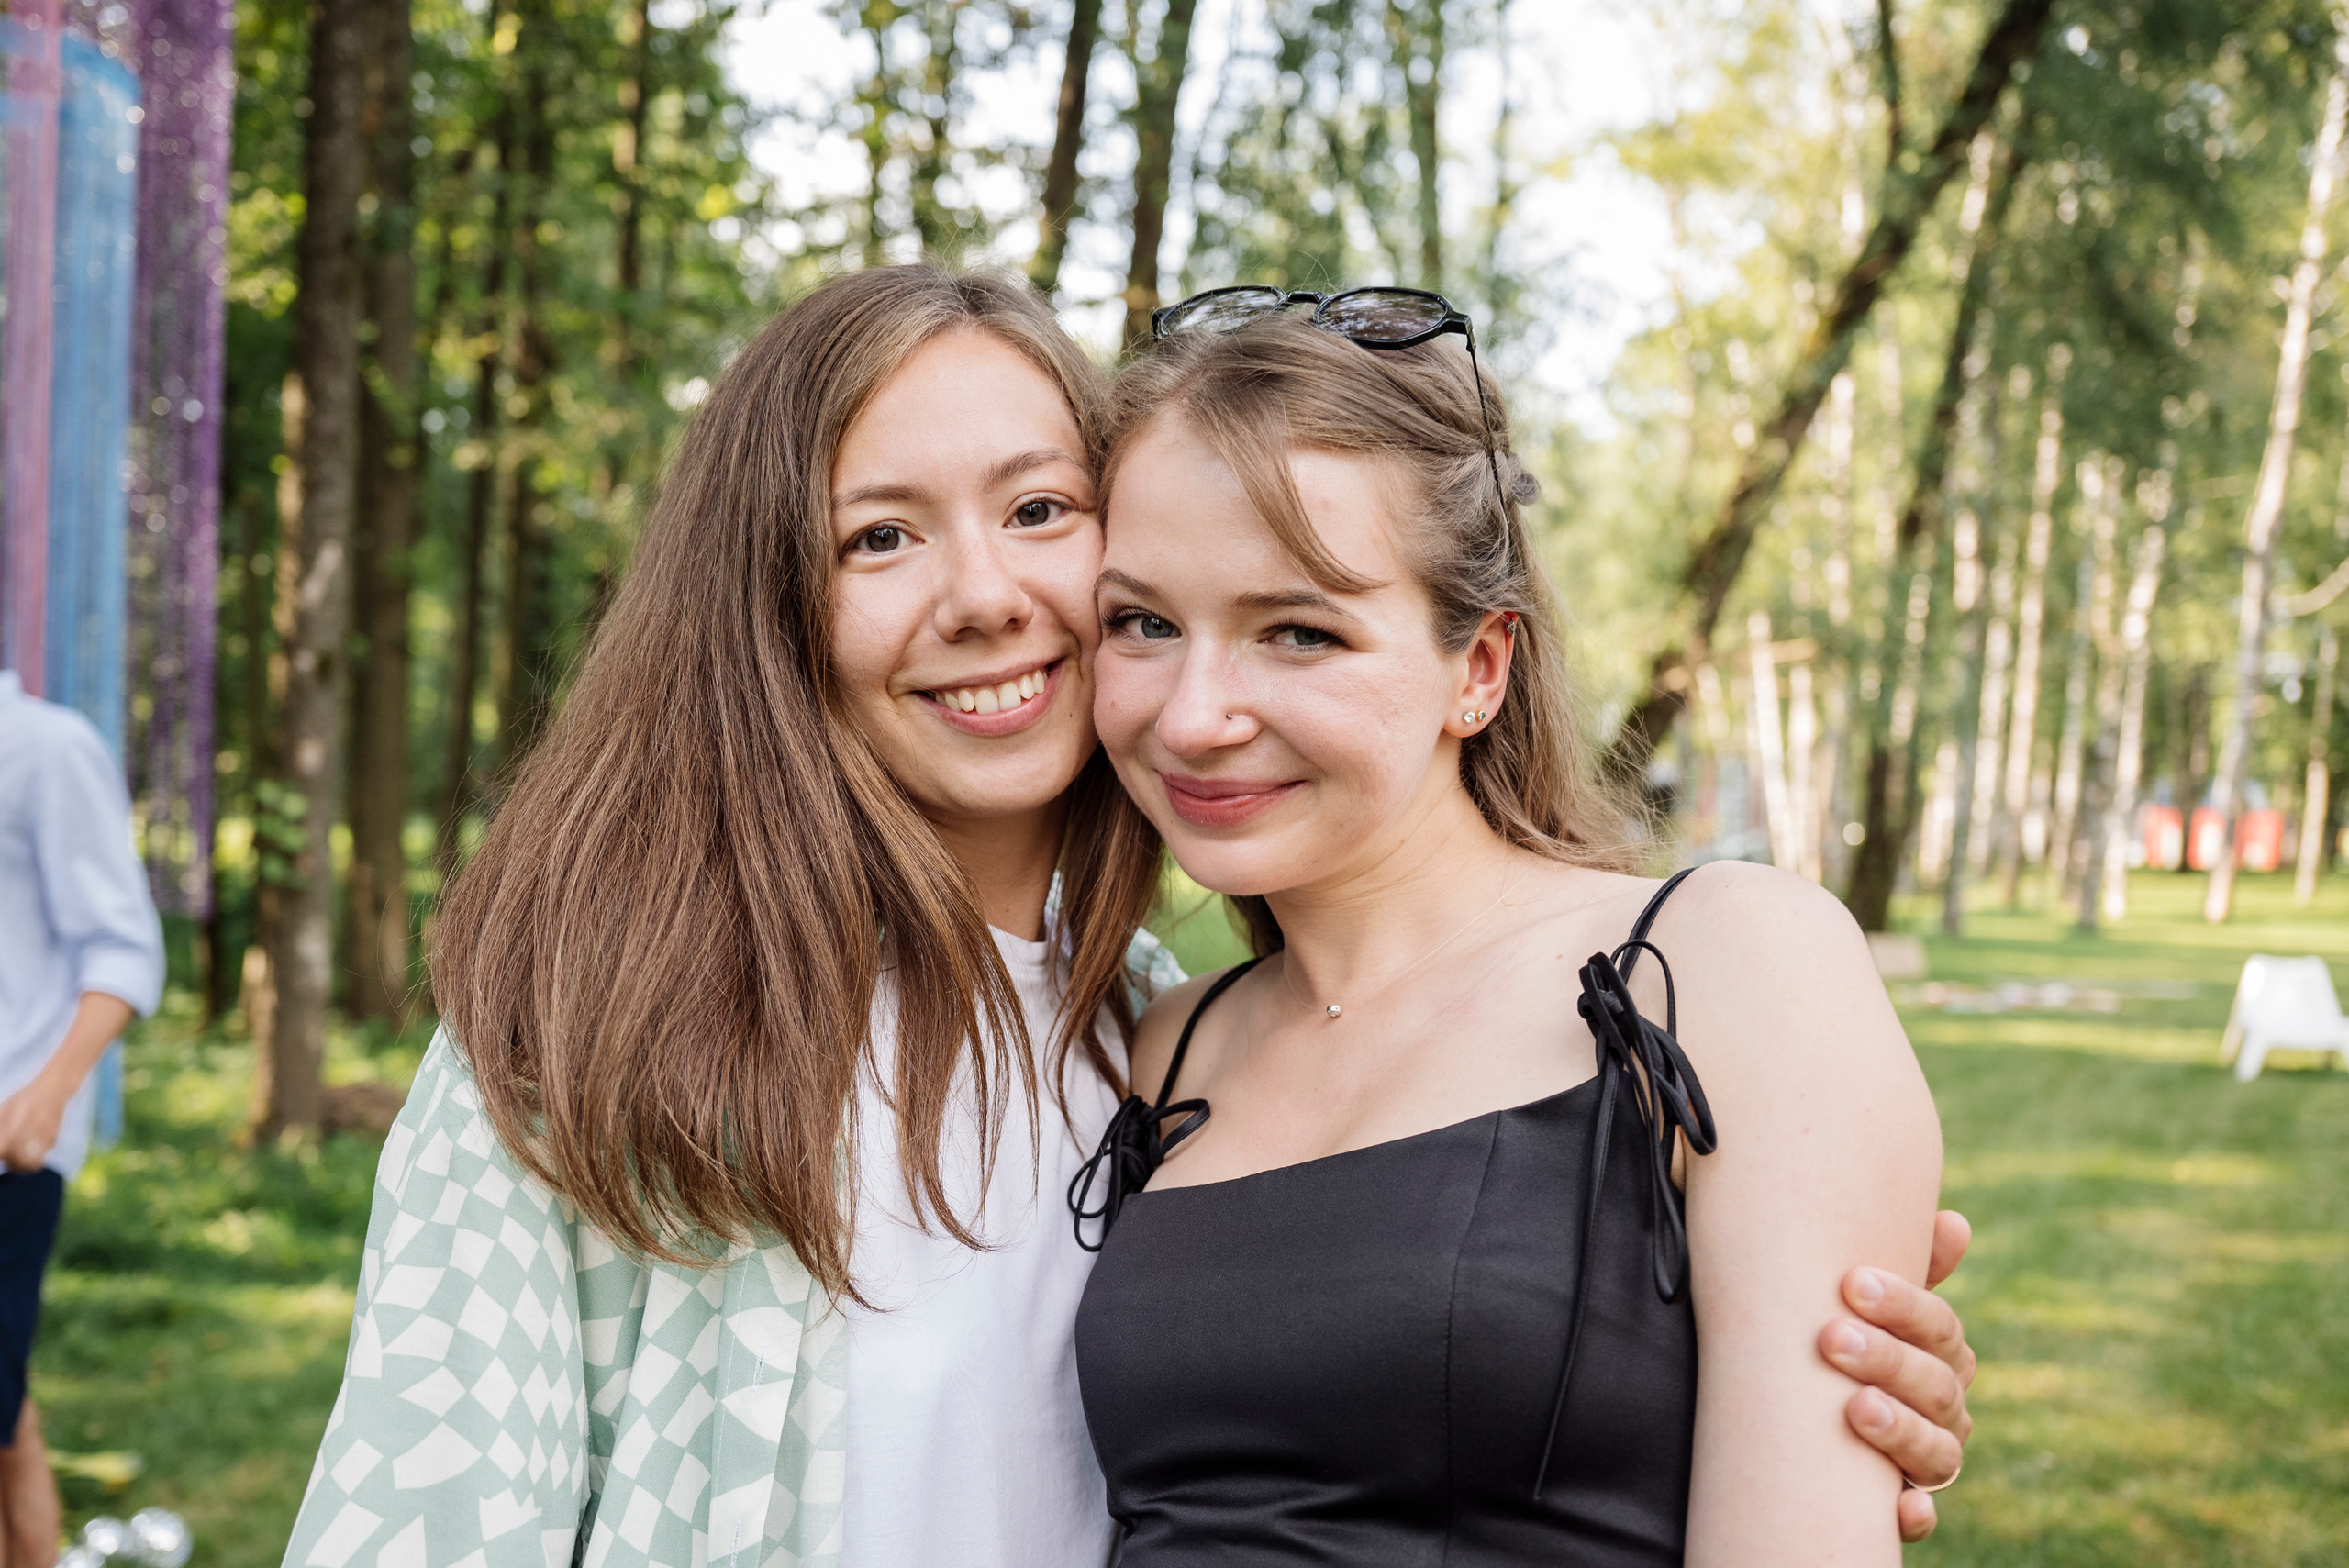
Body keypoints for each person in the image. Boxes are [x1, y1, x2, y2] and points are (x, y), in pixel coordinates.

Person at [284, 267, 1972, 1568]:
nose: (990, 594)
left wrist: (1766, 1360)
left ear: (1479, 661)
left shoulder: (1136, 1038)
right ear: (772, 606)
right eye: (880, 534)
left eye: (1040, 510)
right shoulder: (596, 1051)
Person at [1073, 292, 1956, 1564]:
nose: (1195, 713)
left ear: (1478, 668)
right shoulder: (1164, 1046)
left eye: (1299, 631)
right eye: (1144, 622)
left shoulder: (1724, 965)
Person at [0, 669, 165, 1568]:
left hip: (11, 1150)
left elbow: (125, 948)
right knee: (8, 1409)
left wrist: (48, 1092)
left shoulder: (46, 749)